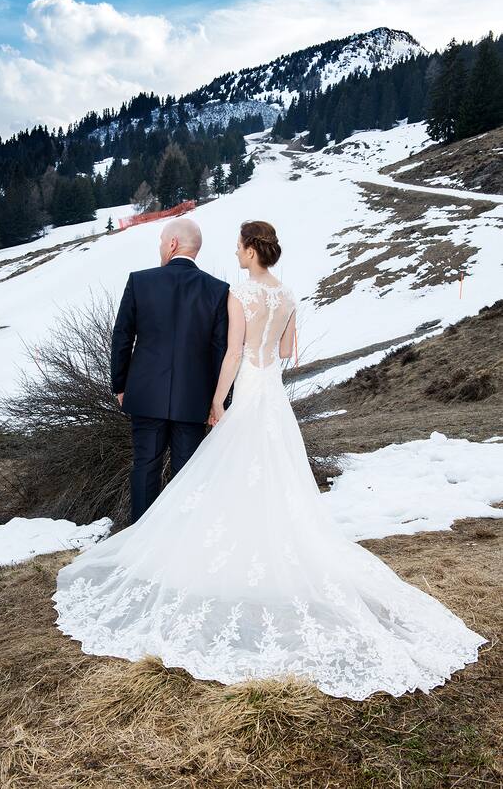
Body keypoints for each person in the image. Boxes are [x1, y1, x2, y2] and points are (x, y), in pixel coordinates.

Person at [53, 219, 489, 701]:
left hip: (195, 393)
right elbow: (278, 350)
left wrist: (177, 392)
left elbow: (200, 349)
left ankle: (153, 549)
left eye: (238, 246)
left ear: (246, 250)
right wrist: (218, 392)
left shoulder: (203, 289)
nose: (235, 252)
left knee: (167, 470)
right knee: (231, 475)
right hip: (262, 398)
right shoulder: (260, 292)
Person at [110, 217, 230, 523]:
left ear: (173, 244)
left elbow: (122, 337)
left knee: (145, 468)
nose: (161, 247)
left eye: (162, 242)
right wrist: (218, 402)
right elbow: (221, 351)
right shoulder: (218, 290)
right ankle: (181, 540)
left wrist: (120, 386)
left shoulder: (140, 281)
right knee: (188, 474)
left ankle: (140, 538)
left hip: (146, 394)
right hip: (194, 400)